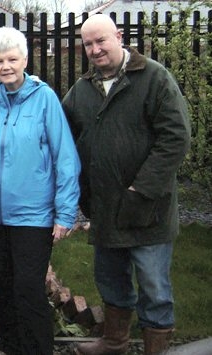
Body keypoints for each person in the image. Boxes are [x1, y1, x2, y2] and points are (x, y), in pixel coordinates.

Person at [61, 14, 191, 355]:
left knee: (154, 287)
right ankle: (115, 343)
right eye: (88, 44)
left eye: (101, 40)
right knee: (111, 281)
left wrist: (141, 190)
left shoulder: (153, 78)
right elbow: (62, 140)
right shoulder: (81, 90)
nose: (94, 49)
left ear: (119, 36)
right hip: (104, 208)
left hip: (149, 209)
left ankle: (156, 350)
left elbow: (176, 138)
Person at [0, 26, 81, 355]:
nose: (5, 66)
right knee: (3, 290)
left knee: (28, 289)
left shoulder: (45, 99)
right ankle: (11, 349)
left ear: (24, 59)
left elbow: (65, 157)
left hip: (32, 217)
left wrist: (65, 212)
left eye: (11, 59)